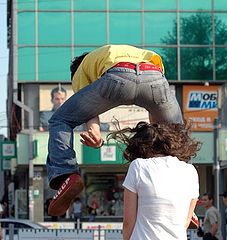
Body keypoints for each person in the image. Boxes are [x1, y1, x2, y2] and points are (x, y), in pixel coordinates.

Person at [47, 44, 183, 216]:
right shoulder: (138, 53)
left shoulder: (82, 68)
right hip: (155, 77)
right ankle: (184, 189)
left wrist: (95, 133)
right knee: (178, 135)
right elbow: (155, 115)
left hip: (118, 78)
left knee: (60, 120)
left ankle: (66, 174)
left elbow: (89, 111)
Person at [106, 121, 201, 239]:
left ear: (142, 148)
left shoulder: (138, 166)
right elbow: (185, 222)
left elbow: (129, 222)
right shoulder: (190, 171)